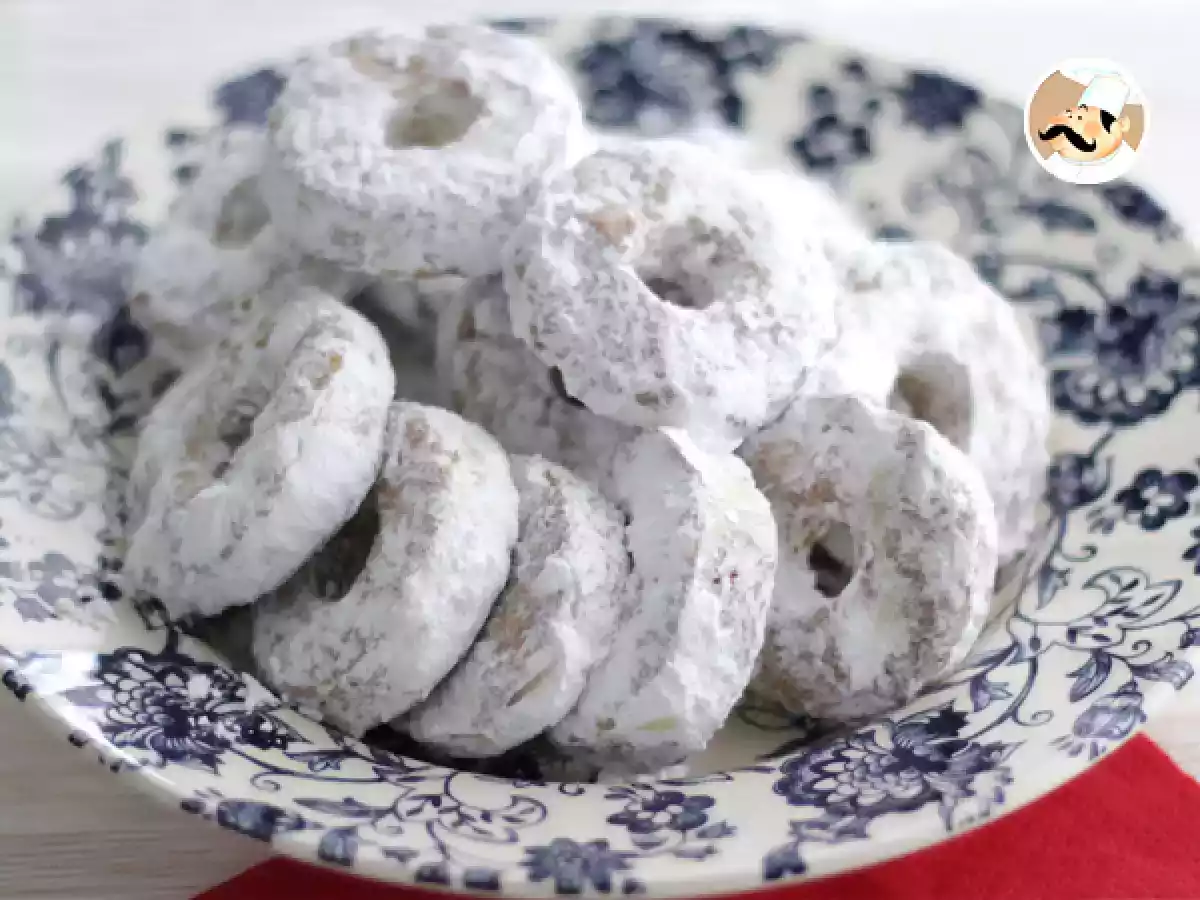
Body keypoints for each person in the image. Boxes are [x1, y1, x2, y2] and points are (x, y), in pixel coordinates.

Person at [1037, 73, 1137, 184]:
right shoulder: (1054, 163)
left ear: (1122, 125)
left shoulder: (1125, 165)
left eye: (1082, 120)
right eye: (1070, 117)